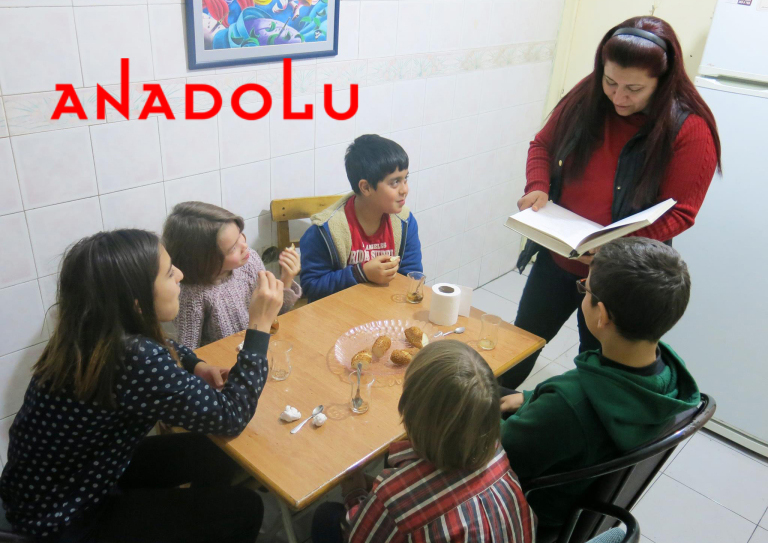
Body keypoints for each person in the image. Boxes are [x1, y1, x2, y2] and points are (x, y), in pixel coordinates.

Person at [0, 229, 285, 542]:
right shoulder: (132, 356)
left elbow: (163, 345)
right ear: (137, 302)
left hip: (59, 483)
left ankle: (200, 522)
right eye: (169, 273)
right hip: (66, 518)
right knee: (245, 508)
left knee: (215, 453)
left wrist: (196, 365)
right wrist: (259, 326)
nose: (180, 275)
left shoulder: (90, 330)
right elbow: (231, 416)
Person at [503, 16, 721, 389]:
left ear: (663, 80)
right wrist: (538, 185)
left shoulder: (689, 127)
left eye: (634, 88)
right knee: (519, 346)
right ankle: (486, 413)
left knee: (601, 372)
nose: (618, 97)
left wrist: (614, 248)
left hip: (620, 279)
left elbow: (682, 212)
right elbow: (542, 145)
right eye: (610, 82)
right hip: (560, 257)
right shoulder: (589, 94)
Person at [500, 237, 700, 534]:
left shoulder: (567, 404)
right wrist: (531, 398)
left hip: (527, 518)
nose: (582, 292)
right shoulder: (672, 378)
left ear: (602, 315)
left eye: (585, 288)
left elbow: (489, 452)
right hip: (576, 504)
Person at [311, 341, 535, 543]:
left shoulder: (393, 500)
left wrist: (355, 492)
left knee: (326, 516)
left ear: (410, 413)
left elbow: (360, 535)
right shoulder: (495, 449)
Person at [300, 135, 422, 302]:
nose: (404, 190)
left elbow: (412, 276)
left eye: (405, 178)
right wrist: (361, 273)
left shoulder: (404, 222)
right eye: (395, 182)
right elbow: (312, 287)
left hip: (385, 308)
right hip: (339, 311)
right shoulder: (325, 230)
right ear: (366, 187)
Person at [163, 201, 301, 350]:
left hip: (260, 349)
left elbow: (271, 318)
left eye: (240, 234)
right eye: (233, 247)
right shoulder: (192, 296)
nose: (244, 245)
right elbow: (188, 353)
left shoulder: (250, 261)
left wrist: (286, 279)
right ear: (205, 261)